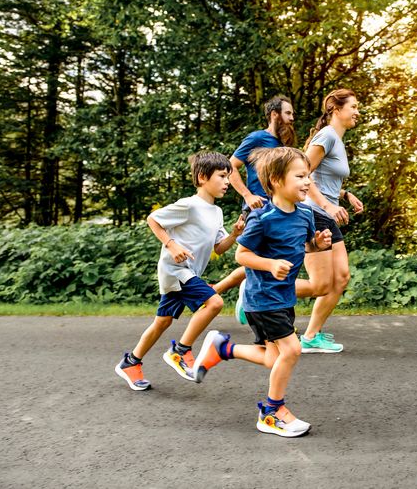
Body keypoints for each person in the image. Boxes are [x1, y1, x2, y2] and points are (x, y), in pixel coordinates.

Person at [191, 147, 332, 437]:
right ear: (277, 181)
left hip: (283, 298)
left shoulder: (305, 214)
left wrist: (318, 243)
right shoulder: (262, 218)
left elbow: (305, 246)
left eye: (309, 176)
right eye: (300, 176)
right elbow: (241, 255)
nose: (307, 182)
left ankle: (223, 348)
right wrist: (269, 264)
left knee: (272, 358)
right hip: (262, 298)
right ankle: (271, 411)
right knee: (292, 349)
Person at [114, 152, 245, 391]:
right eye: (223, 176)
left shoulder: (216, 212)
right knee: (214, 302)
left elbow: (219, 247)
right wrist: (171, 244)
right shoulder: (189, 205)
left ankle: (130, 363)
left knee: (162, 322)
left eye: (228, 177)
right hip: (176, 270)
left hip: (187, 272)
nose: (227, 182)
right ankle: (180, 351)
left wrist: (235, 235)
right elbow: (153, 219)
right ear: (204, 177)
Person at [215, 96, 328, 321]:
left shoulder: (283, 148)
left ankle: (256, 307)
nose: (292, 118)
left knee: (275, 258)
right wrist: (248, 195)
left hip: (283, 209)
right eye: (288, 113)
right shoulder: (258, 138)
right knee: (254, 257)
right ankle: (235, 298)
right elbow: (230, 166)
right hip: (261, 209)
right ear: (274, 114)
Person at [299, 88, 363, 354]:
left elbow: (324, 180)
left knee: (341, 278)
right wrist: (326, 204)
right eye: (354, 107)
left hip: (326, 213)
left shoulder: (337, 139)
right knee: (321, 283)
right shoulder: (326, 135)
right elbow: (302, 174)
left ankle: (311, 336)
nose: (358, 112)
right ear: (336, 110)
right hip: (314, 213)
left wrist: (344, 194)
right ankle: (256, 291)